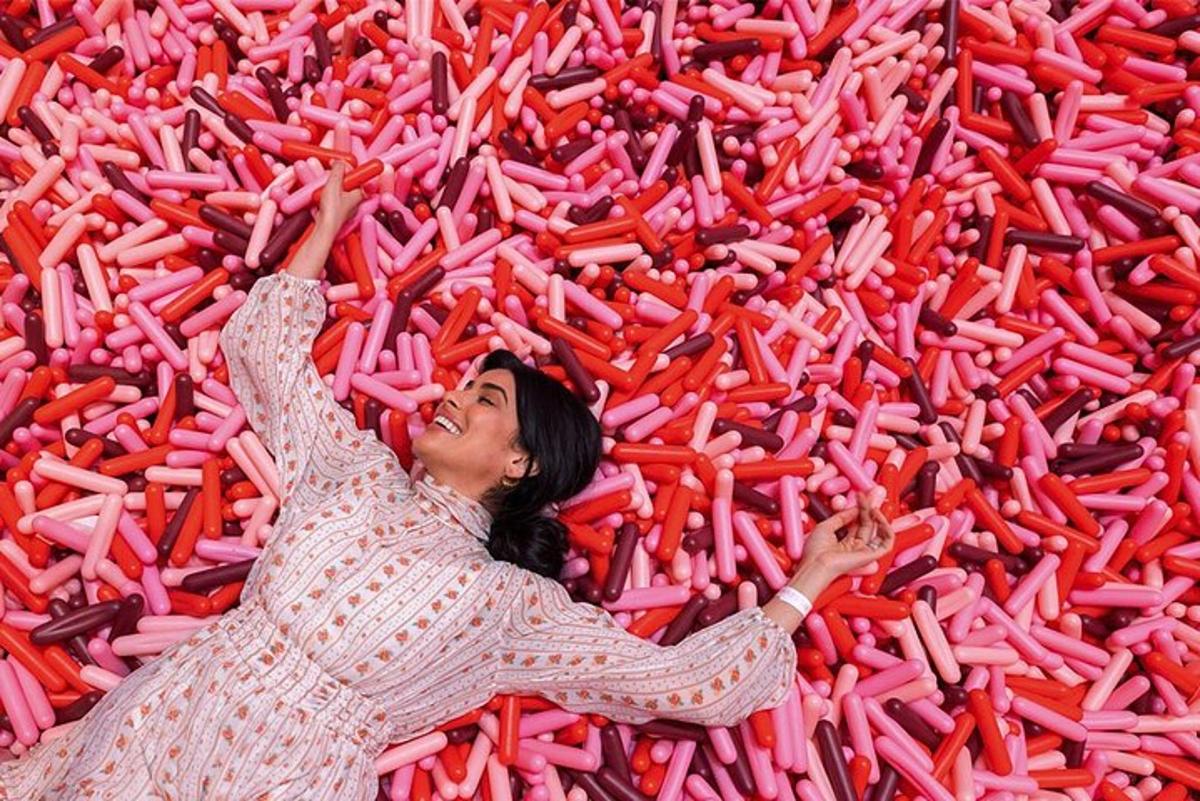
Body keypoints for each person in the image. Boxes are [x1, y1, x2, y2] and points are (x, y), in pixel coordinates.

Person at [0, 164, 892, 800]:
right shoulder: (350, 475)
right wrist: (324, 230)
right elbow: (271, 355)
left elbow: (687, 687)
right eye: (466, 383)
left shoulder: (509, 606)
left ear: (521, 462)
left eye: (485, 397)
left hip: (284, 778)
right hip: (159, 718)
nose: (453, 395)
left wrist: (809, 578)